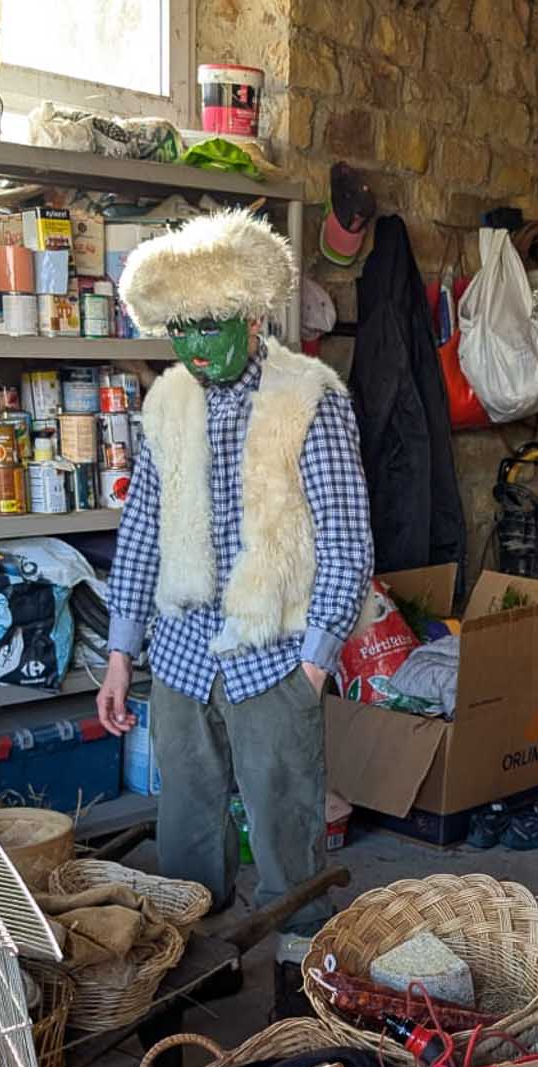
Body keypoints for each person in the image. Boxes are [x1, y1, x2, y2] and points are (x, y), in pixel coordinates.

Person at [97, 209, 372, 960]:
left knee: (287, 832)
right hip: (182, 657)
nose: (192, 346)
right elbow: (142, 531)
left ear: (252, 317)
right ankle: (194, 973)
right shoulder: (167, 403)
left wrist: (313, 664)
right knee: (185, 828)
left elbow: (348, 542)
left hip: (275, 657)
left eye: (209, 325)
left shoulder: (309, 398)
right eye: (179, 328)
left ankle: (302, 985)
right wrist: (121, 654)